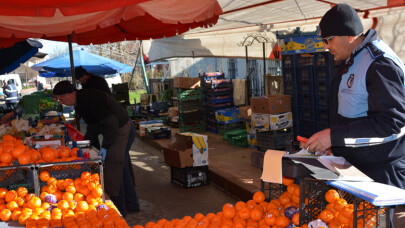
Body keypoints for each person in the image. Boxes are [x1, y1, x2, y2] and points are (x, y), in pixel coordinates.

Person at [301, 4, 405, 226]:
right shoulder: (351, 59)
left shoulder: (380, 63)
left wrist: (333, 137)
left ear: (349, 35)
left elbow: (391, 125)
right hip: (357, 168)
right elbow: (350, 111)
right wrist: (334, 145)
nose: (326, 46)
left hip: (381, 173)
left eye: (328, 39)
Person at [53, 80, 140, 217]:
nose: (61, 102)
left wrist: (105, 146)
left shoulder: (89, 100)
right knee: (120, 167)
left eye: (61, 98)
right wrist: (85, 142)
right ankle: (132, 205)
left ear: (70, 93)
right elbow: (93, 125)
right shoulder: (80, 102)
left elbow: (111, 123)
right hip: (115, 127)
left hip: (121, 128)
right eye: (59, 100)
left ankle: (118, 211)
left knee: (113, 168)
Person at [72, 66, 112, 149]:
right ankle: (95, 152)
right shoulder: (85, 83)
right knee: (92, 140)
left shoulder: (98, 81)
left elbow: (103, 99)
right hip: (94, 118)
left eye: (79, 78)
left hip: (106, 114)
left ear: (85, 76)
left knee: (111, 143)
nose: (79, 81)